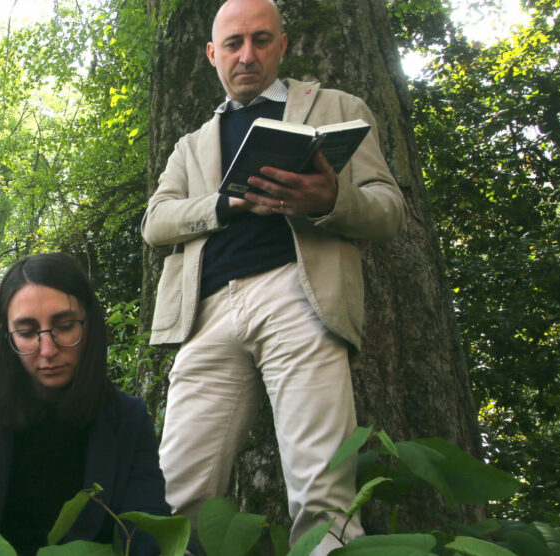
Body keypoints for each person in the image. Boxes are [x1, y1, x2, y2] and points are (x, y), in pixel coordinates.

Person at [140, 0, 409, 552]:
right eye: (233, 44)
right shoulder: (190, 146)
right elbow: (155, 221)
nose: (247, 55)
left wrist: (331, 196)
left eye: (261, 40)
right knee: (174, 496)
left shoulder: (337, 108)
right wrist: (223, 204)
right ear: (212, 54)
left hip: (299, 296)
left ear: (282, 47)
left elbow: (388, 210)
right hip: (207, 314)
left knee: (323, 495)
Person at [0, 253, 169, 555]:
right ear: (4, 334)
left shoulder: (127, 418)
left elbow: (146, 521)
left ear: (89, 325)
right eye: (26, 333)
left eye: (64, 327)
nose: (47, 350)